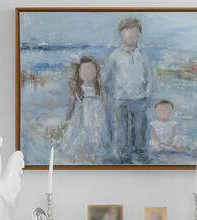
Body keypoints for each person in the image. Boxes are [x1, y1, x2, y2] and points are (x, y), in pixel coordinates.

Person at [107, 15, 156, 164]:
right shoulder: (115, 55)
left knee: (139, 129)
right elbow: (107, 76)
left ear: (139, 34)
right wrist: (113, 93)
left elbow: (150, 76)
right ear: (121, 35)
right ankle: (122, 155)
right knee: (120, 129)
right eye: (127, 33)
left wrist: (147, 94)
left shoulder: (143, 55)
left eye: (134, 33)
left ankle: (140, 153)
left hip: (139, 98)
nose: (130, 37)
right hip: (120, 99)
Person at [61, 54, 112, 162]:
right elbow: (72, 105)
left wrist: (105, 121)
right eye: (84, 70)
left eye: (91, 70)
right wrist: (68, 119)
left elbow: (104, 105)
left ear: (96, 71)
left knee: (96, 138)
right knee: (80, 137)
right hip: (81, 119)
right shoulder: (77, 89)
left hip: (97, 119)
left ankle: (94, 155)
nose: (88, 73)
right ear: (78, 73)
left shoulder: (100, 88)